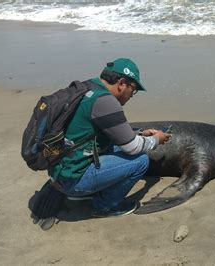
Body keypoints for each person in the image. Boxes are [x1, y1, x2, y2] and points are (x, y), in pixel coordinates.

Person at [48, 58, 171, 218]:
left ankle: (81, 192)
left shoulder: (87, 88)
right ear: (121, 83)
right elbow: (132, 147)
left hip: (61, 169)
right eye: (133, 90)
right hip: (72, 180)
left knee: (119, 145)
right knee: (141, 161)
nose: (131, 96)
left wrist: (140, 133)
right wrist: (157, 140)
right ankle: (104, 206)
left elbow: (106, 132)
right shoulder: (106, 102)